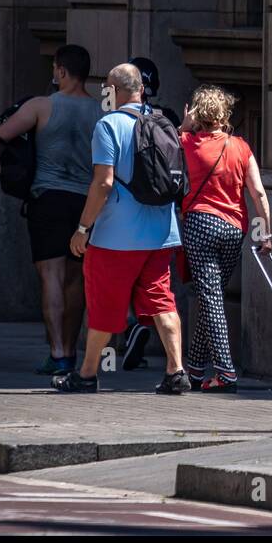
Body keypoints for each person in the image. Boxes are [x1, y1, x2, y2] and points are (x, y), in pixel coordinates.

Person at [55, 63, 190, 395]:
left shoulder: (108, 126)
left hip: (116, 237)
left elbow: (104, 183)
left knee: (104, 305)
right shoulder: (164, 121)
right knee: (162, 300)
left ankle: (86, 374)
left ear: (111, 91)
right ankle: (176, 371)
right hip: (162, 233)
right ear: (141, 89)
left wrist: (83, 228)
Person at [0, 44, 102, 375]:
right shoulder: (100, 112)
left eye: (55, 69)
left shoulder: (41, 106)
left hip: (48, 198)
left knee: (50, 275)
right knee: (76, 279)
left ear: (62, 72)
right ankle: (70, 348)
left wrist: (4, 172)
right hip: (86, 203)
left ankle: (57, 353)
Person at [177, 85, 272, 393]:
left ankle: (225, 373)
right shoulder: (241, 146)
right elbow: (257, 192)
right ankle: (194, 369)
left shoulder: (187, 143)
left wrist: (184, 125)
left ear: (197, 114)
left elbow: (170, 148)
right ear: (225, 115)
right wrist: (266, 232)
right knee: (211, 297)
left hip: (200, 224)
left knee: (211, 298)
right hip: (234, 229)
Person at [117, 55, 182, 368]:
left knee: (124, 278)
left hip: (126, 217)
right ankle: (170, 359)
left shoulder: (116, 120)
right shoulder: (166, 119)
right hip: (163, 218)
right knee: (157, 285)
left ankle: (132, 325)